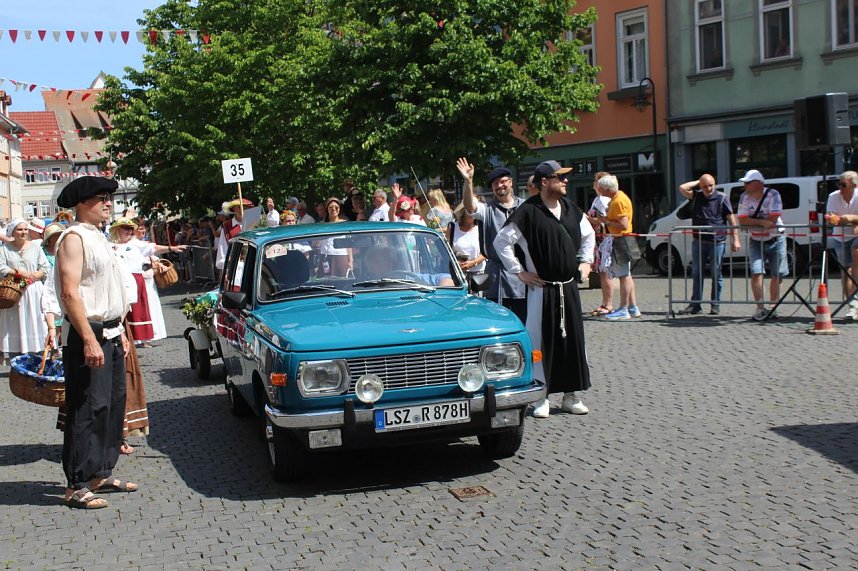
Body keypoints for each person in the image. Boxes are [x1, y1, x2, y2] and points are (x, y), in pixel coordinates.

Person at [54, 175, 137, 510]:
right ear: (82, 203)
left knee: (112, 407)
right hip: (89, 333)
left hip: (113, 332)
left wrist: (125, 332)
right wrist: (89, 338)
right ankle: (76, 483)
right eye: (102, 197)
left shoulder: (99, 237)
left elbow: (113, 290)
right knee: (87, 407)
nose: (108, 203)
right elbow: (70, 293)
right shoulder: (73, 238)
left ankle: (99, 472)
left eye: (109, 198)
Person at [494, 160, 595, 418]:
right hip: (542, 289)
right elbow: (501, 243)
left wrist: (585, 263)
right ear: (544, 182)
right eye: (558, 177)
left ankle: (571, 395)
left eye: (564, 177)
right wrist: (520, 272)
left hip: (568, 288)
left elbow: (589, 236)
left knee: (573, 341)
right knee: (540, 341)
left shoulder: (572, 209)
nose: (565, 181)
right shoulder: (528, 211)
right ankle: (541, 396)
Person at [456, 157, 527, 323]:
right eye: (495, 184)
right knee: (498, 320)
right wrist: (468, 181)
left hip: (524, 273)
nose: (499, 186)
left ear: (510, 182)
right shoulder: (487, 210)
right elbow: (469, 206)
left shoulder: (526, 207)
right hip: (498, 275)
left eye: (503, 181)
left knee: (524, 319)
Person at [677, 174, 741, 316]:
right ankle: (695, 305)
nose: (708, 189)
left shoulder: (722, 198)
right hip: (699, 241)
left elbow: (731, 219)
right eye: (705, 186)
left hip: (717, 242)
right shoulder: (697, 196)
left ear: (715, 184)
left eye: (711, 185)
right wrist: (699, 182)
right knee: (696, 273)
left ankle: (715, 305)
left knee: (716, 273)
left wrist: (735, 239)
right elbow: (682, 188)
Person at [736, 169, 788, 321]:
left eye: (748, 182)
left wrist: (761, 222)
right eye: (744, 183)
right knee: (756, 272)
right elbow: (743, 219)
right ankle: (760, 308)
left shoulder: (773, 194)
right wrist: (760, 222)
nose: (745, 185)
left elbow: (773, 219)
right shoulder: (744, 197)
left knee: (777, 274)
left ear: (758, 183)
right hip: (755, 239)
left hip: (776, 238)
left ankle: (773, 306)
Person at [0, 219, 50, 365]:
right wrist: (19, 273)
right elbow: (1, 267)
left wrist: (34, 276)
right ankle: (16, 354)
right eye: (20, 230)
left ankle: (34, 354)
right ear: (12, 232)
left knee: (33, 320)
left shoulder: (35, 248)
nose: (23, 232)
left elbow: (45, 267)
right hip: (14, 290)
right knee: (15, 322)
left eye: (25, 229)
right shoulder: (5, 249)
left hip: (33, 291)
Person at [595, 175, 641, 320]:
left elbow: (623, 224)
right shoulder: (618, 198)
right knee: (625, 274)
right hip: (622, 239)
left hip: (622, 239)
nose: (599, 191)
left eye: (601, 188)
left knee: (623, 275)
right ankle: (632, 307)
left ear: (607, 189)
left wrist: (606, 222)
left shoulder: (619, 201)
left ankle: (624, 309)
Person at [824, 171, 858, 318]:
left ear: (854, 186)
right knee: (845, 272)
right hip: (840, 237)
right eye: (839, 184)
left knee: (854, 265)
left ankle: (853, 305)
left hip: (855, 235)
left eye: (844, 185)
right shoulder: (833, 196)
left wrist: (849, 218)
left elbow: (842, 219)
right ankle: (851, 306)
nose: (840, 188)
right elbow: (831, 218)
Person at [585, 171, 614, 316]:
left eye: (595, 181)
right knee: (602, 273)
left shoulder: (603, 200)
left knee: (605, 272)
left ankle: (608, 304)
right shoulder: (598, 199)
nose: (593, 184)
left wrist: (588, 219)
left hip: (603, 239)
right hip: (599, 239)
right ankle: (605, 302)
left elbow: (604, 221)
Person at [362, 245, 454, 286]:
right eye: (378, 261)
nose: (386, 263)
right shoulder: (364, 286)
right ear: (369, 267)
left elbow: (445, 278)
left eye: (387, 259)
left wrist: (439, 295)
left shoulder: (407, 278)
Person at [447, 205, 487, 294]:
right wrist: (455, 261)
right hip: (457, 272)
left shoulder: (481, 227)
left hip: (478, 274)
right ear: (463, 212)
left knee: (477, 303)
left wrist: (473, 263)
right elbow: (447, 249)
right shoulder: (452, 227)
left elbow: (486, 252)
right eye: (470, 211)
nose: (473, 214)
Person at [215, 197, 252, 271]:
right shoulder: (227, 227)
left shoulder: (254, 225)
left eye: (246, 208)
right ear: (234, 209)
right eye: (240, 207)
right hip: (235, 271)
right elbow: (222, 256)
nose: (243, 210)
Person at [319, 197, 353, 276]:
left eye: (336, 207)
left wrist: (351, 260)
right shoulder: (322, 225)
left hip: (341, 255)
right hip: (326, 256)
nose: (333, 209)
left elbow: (348, 243)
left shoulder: (345, 224)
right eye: (331, 207)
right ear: (327, 209)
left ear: (340, 209)